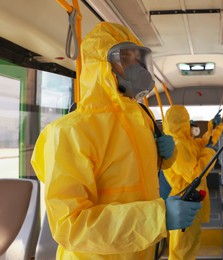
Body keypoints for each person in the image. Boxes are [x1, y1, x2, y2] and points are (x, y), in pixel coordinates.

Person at [31, 22, 201, 259]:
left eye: (137, 60)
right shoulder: (70, 133)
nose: (136, 68)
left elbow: (143, 173)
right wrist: (158, 218)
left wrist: (168, 155)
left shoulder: (141, 119)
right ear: (100, 65)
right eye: (125, 60)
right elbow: (70, 225)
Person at [162, 105, 223, 260]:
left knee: (190, 245)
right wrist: (210, 151)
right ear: (180, 122)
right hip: (184, 199)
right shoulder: (178, 146)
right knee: (182, 249)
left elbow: (204, 143)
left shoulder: (186, 142)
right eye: (187, 119)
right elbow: (196, 175)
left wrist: (214, 127)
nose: (190, 122)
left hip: (190, 199)